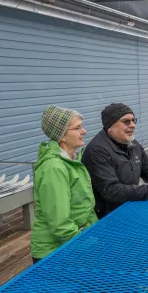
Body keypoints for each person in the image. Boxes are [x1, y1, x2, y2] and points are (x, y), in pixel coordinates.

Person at [82, 103, 148, 218]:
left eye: (133, 120)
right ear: (110, 126)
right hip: (108, 216)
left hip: (130, 205)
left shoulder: (132, 143)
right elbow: (112, 191)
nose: (132, 125)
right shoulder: (97, 150)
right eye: (126, 121)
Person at [31, 105, 98, 264]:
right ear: (61, 136)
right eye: (77, 128)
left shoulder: (74, 160)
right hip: (53, 252)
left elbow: (86, 206)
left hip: (75, 242)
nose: (84, 131)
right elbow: (60, 223)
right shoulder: (54, 168)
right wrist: (87, 243)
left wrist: (96, 232)